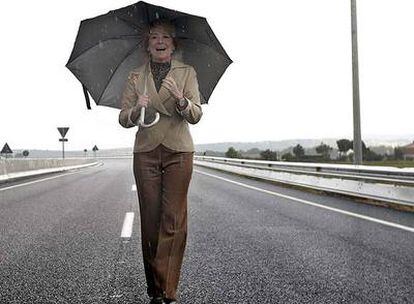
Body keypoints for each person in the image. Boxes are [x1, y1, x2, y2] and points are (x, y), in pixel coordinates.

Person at [118, 19, 203, 304]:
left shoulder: (186, 72)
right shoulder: (134, 76)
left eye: (165, 36)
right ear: (148, 44)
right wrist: (136, 110)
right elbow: (123, 118)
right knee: (151, 222)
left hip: (179, 150)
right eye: (154, 36)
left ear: (173, 43)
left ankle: (167, 289)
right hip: (146, 151)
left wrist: (181, 100)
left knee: (173, 220)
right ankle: (155, 289)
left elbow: (196, 114)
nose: (159, 40)